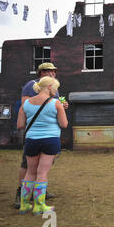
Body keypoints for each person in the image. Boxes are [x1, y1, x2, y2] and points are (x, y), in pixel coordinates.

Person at [13, 62, 69, 209]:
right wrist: (55, 109)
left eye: (54, 71)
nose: (53, 73)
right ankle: (33, 200)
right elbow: (63, 123)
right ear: (41, 72)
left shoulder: (53, 94)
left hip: (33, 136)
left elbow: (22, 118)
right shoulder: (30, 85)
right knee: (37, 169)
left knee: (34, 170)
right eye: (50, 71)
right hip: (49, 137)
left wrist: (62, 106)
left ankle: (27, 202)